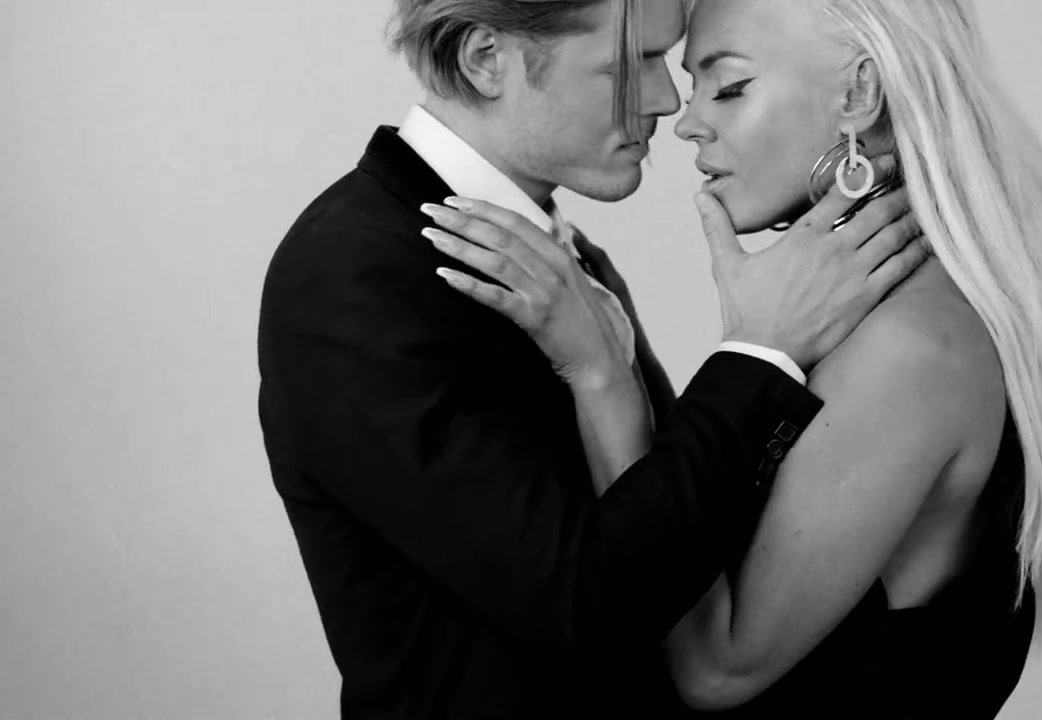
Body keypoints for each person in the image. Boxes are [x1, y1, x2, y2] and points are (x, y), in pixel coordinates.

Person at [428, 0, 1042, 717]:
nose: (687, 122)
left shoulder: (907, 348)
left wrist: (611, 377)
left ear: (859, 93)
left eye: (729, 87)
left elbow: (715, 670)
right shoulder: (872, 315)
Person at [256, 0, 927, 717]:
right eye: (630, 65)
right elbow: (587, 613)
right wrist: (762, 353)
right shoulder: (353, 279)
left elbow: (670, 547)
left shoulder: (564, 259)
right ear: (486, 60)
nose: (666, 101)